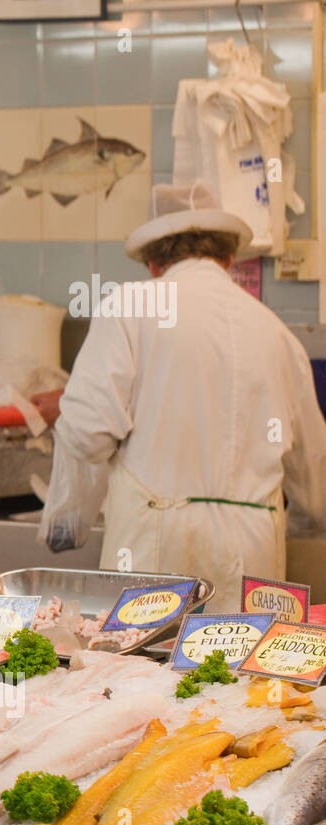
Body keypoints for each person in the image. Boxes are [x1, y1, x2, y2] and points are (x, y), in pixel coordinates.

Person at [39, 182, 326, 610]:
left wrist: (68, 526)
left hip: (155, 550)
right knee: (243, 675)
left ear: (154, 262)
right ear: (229, 258)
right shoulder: (279, 336)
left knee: (143, 674)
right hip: (256, 557)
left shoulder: (129, 307)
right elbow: (315, 475)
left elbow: (86, 433)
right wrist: (296, 524)